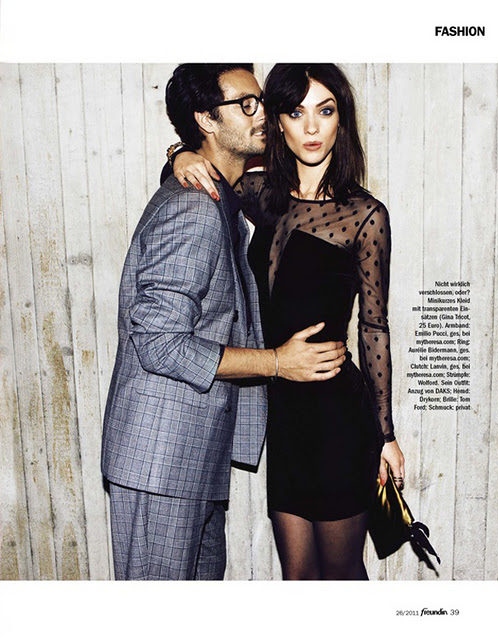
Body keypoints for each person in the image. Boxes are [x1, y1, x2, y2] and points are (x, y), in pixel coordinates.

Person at [101, 63, 347, 581]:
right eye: (246, 104)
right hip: (160, 460)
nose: (261, 114)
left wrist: (177, 155)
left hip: (190, 459)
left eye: (262, 102)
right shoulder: (194, 208)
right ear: (206, 120)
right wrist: (277, 362)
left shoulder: (223, 199)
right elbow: (160, 343)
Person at [168, 63, 405, 580]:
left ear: (342, 120)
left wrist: (385, 435)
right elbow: (193, 175)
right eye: (296, 113)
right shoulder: (260, 194)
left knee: (340, 575)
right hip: (283, 414)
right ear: (277, 121)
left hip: (337, 413)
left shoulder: (365, 215)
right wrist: (179, 153)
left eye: (325, 110)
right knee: (297, 579)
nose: (312, 127)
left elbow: (374, 328)